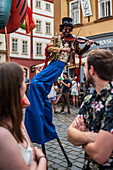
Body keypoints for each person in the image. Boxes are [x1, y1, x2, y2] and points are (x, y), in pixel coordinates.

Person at [25, 17, 94, 145]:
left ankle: (38, 103)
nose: (68, 31)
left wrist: (87, 46)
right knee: (37, 82)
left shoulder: (73, 41)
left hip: (60, 65)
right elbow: (49, 49)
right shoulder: (56, 38)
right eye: (65, 29)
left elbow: (80, 52)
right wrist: (61, 49)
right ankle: (41, 102)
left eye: (69, 29)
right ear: (62, 29)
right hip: (54, 63)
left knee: (35, 81)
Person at [67, 49, 113, 169]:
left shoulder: (112, 99)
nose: (84, 70)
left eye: (85, 67)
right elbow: (70, 134)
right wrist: (93, 137)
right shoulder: (89, 98)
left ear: (91, 70)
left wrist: (83, 137)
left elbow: (100, 154)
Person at [0, 62, 47, 170]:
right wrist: (42, 159)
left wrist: (34, 163)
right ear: (18, 87)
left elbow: (31, 155)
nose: (26, 84)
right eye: (24, 80)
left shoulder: (16, 120)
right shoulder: (3, 134)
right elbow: (34, 157)